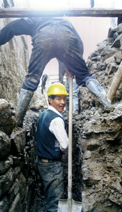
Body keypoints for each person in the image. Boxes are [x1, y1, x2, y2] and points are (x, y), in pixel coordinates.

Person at [0, 17, 112, 126]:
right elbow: (79, 43)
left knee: (32, 78)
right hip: (66, 37)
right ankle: (107, 104)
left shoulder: (37, 20)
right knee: (85, 75)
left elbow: (16, 25)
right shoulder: (66, 22)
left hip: (43, 38)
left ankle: (18, 119)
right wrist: (71, 65)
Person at [35, 82, 69, 212]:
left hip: (42, 162)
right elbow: (65, 145)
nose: (62, 102)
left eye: (64, 98)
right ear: (50, 99)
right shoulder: (56, 120)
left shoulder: (43, 115)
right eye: (58, 98)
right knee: (55, 201)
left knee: (50, 195)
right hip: (52, 165)